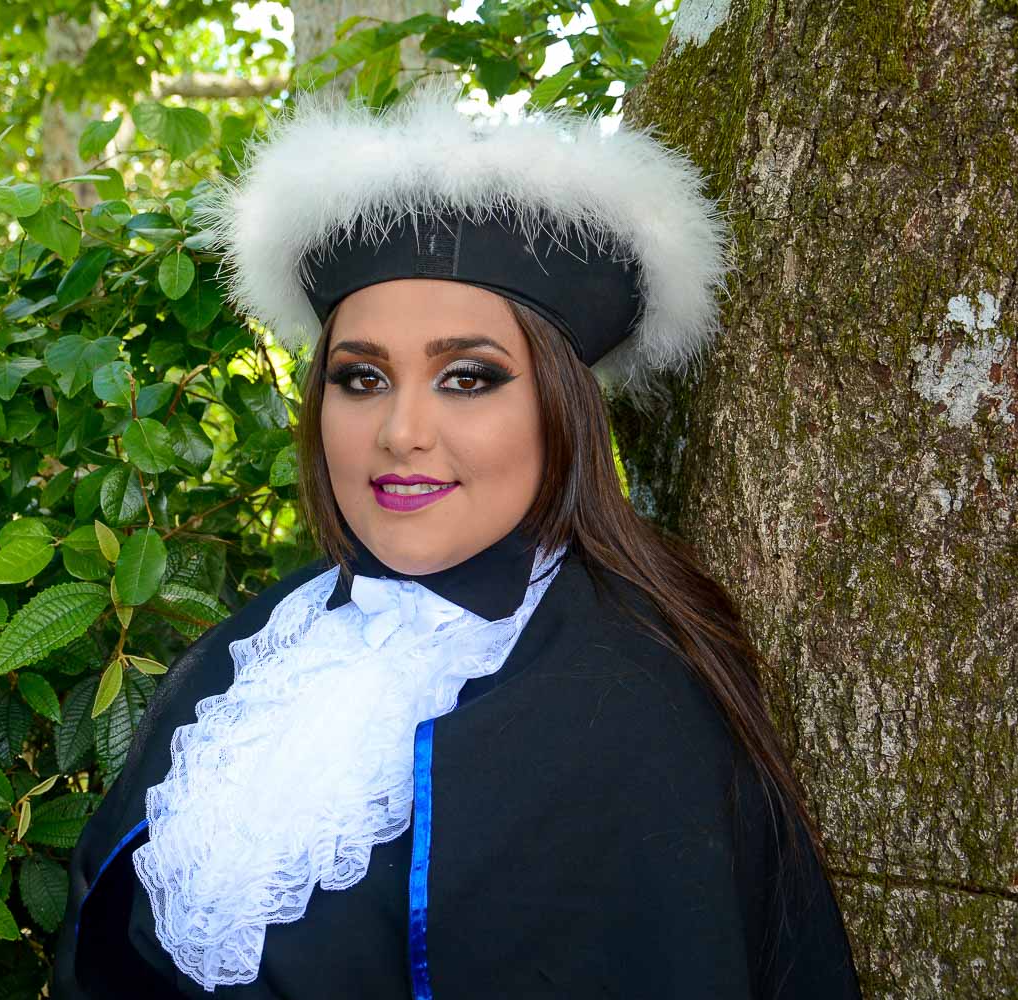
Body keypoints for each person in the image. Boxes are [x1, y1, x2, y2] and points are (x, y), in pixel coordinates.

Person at [51, 78, 863, 999]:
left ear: (560, 410)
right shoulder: (259, 649)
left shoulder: (635, 709)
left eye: (468, 378)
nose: (401, 433)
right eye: (361, 379)